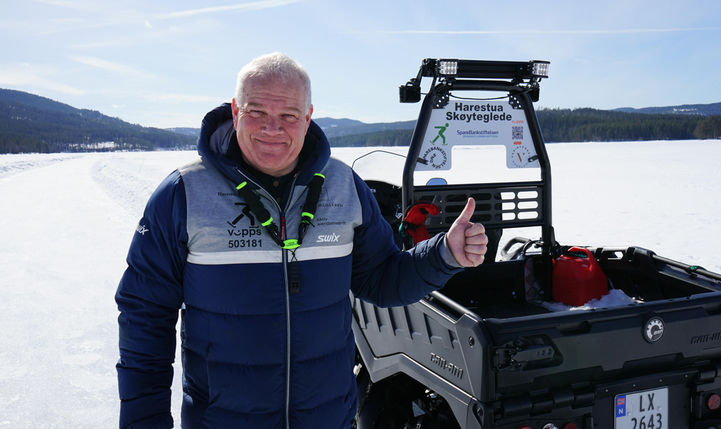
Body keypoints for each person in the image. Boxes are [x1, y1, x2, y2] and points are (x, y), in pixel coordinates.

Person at [116, 52, 488, 429]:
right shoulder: (183, 194)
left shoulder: (344, 187)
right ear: (234, 110)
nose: (272, 128)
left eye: (288, 116)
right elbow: (144, 318)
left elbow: (382, 279)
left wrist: (443, 254)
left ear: (308, 118)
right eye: (256, 111)